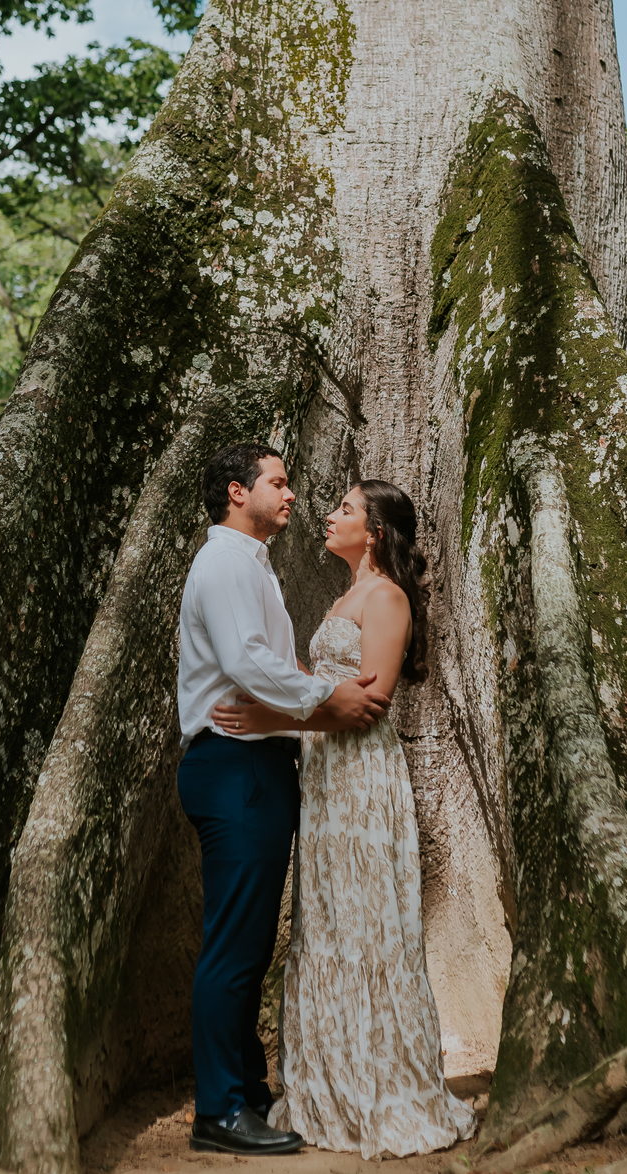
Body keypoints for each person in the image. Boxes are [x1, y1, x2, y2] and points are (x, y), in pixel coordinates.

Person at [213, 480, 476, 1158]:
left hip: (361, 781)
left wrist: (270, 718)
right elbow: (326, 689)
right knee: (328, 923)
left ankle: (380, 1089)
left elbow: (370, 704)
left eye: (347, 510)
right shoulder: (343, 598)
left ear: (376, 532)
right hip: (325, 780)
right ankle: (328, 1088)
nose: (331, 516)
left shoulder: (386, 598)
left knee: (365, 925)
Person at [177, 442, 392, 1157]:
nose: (291, 493)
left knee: (247, 943)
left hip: (258, 765)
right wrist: (329, 697)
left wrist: (307, 706)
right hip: (233, 765)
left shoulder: (254, 565)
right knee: (234, 947)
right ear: (238, 492)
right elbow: (247, 663)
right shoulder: (225, 563)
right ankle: (218, 1111)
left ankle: (247, 1091)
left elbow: (272, 661)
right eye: (278, 481)